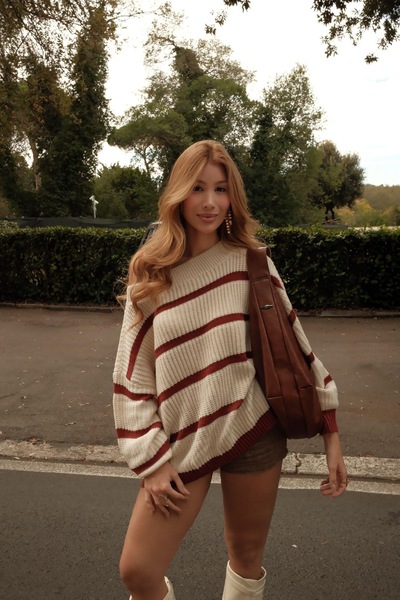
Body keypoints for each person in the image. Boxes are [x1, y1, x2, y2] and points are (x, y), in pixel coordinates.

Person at [113, 139, 348, 600]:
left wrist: (331, 431)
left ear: (232, 197)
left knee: (245, 553)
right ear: (178, 194)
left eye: (220, 189)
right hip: (181, 441)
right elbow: (132, 374)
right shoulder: (151, 271)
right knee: (137, 571)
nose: (209, 202)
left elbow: (296, 347)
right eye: (197, 188)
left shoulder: (252, 262)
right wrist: (151, 461)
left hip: (254, 429)